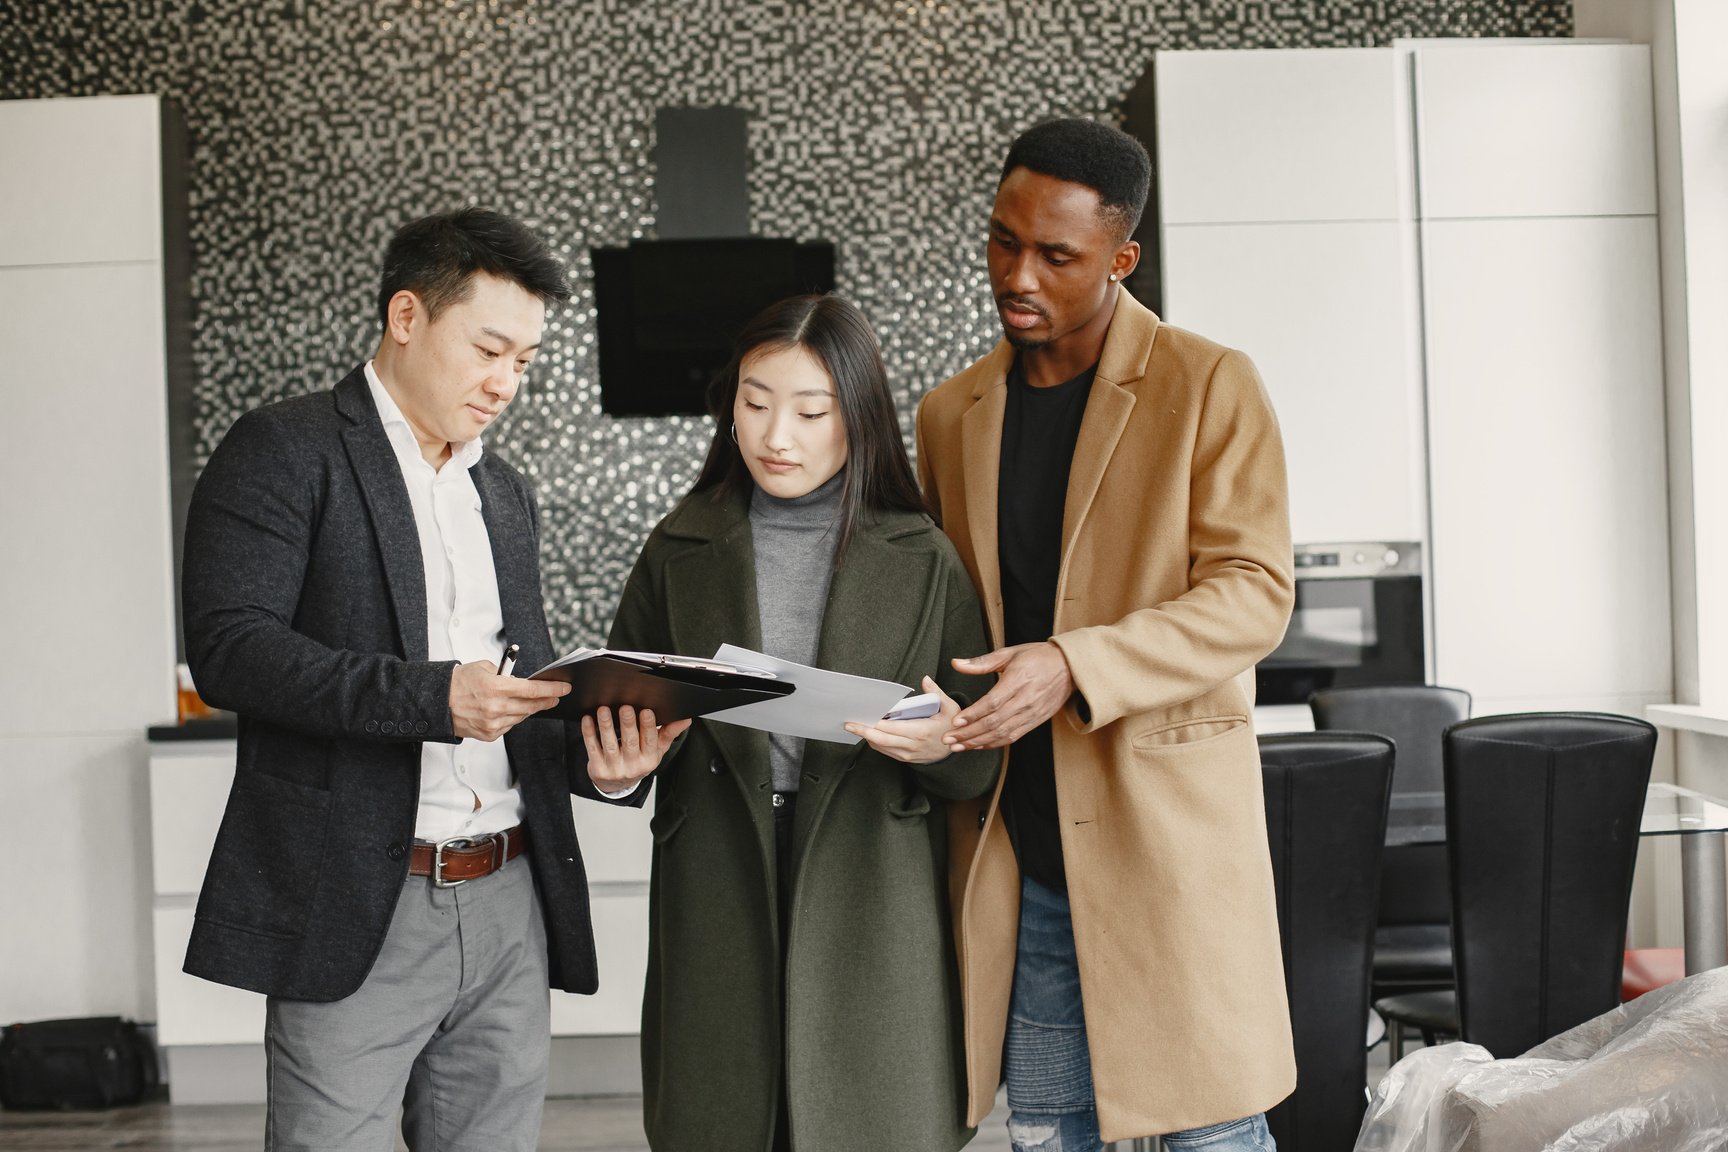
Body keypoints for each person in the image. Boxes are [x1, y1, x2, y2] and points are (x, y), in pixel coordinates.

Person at [181, 208, 664, 1151]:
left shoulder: (504, 493)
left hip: (511, 895)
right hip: (361, 898)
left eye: (523, 361)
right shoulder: (285, 450)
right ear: (407, 316)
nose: (504, 383)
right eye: (489, 348)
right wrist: (433, 698)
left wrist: (606, 767)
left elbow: (510, 697)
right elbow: (231, 648)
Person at [915, 117, 1298, 1151]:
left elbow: (1256, 589)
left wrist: (1076, 661)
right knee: (1051, 1133)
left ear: (1122, 259)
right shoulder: (950, 414)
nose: (1017, 274)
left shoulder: (1208, 382)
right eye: (1003, 241)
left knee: (1210, 1133)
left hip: (1165, 840)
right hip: (1024, 850)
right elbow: (943, 615)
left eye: (1056, 255)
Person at [583, 293, 1000, 1152]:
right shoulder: (678, 549)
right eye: (754, 401)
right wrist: (616, 768)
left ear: (860, 419)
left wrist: (943, 743)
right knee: (725, 1119)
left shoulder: (923, 555)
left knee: (866, 1123)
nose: (778, 435)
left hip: (872, 891)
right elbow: (611, 724)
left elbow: (976, 767)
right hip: (716, 875)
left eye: (812, 411)